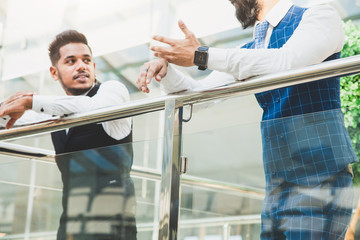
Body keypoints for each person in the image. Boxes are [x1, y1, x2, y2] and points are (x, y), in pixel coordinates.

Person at [137, 0, 357, 239]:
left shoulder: (319, 15)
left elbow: (287, 61)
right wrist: (166, 70)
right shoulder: (250, 50)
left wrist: (202, 55)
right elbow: (195, 96)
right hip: (277, 183)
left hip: (321, 175)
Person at [0, 30, 137, 239]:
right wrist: (7, 108)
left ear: (93, 66)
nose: (81, 66)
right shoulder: (55, 111)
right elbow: (12, 122)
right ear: (54, 73)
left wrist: (31, 102)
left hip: (114, 228)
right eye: (71, 61)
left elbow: (93, 108)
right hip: (70, 227)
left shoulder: (113, 90)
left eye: (86, 60)